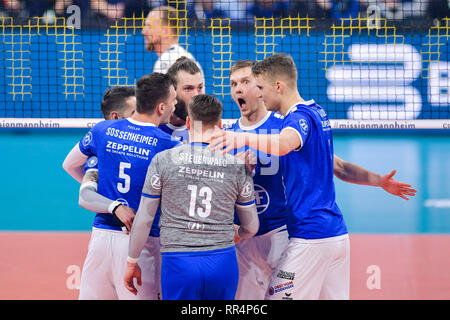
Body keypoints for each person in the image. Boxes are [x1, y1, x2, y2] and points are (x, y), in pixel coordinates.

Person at [210, 53, 417, 300]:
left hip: (308, 237)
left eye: (259, 86)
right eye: (235, 84)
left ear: (278, 86)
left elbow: (286, 143)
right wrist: (379, 181)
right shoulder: (317, 112)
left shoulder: (296, 119)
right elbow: (339, 167)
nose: (259, 93)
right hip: (335, 235)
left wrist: (242, 138)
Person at [124, 94, 260, 300]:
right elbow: (252, 228)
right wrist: (237, 231)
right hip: (222, 261)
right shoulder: (236, 166)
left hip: (179, 262)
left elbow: (144, 219)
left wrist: (131, 261)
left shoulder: (163, 160)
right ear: (220, 124)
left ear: (188, 122)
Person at [62, 73, 181, 300]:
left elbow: (69, 165)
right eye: (174, 100)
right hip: (141, 243)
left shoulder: (102, 130)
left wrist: (104, 190)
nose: (176, 105)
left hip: (101, 238)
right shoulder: (168, 144)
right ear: (161, 107)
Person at [142, 5, 202, 75]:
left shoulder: (167, 60)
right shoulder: (181, 57)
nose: (143, 31)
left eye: (149, 26)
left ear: (165, 32)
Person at [159, 56, 205, 142]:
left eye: (200, 87)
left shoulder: (207, 129)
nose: (196, 95)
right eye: (188, 88)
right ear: (171, 92)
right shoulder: (153, 127)